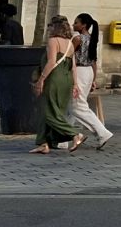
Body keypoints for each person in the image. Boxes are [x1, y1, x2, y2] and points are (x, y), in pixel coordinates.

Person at [30, 16, 82, 154]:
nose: (49, 28)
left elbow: (52, 62)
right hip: (66, 80)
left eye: (50, 26)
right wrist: (75, 84)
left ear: (55, 27)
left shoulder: (53, 41)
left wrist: (41, 79)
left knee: (48, 111)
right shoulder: (70, 43)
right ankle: (43, 143)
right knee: (56, 110)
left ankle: (74, 134)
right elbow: (73, 67)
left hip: (53, 79)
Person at [67, 13, 113, 149]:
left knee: (77, 105)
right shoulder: (92, 38)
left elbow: (68, 57)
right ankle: (62, 139)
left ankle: (102, 132)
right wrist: (93, 78)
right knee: (70, 105)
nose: (73, 24)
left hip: (79, 71)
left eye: (76, 22)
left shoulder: (77, 39)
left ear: (84, 25)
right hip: (88, 71)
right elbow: (93, 61)